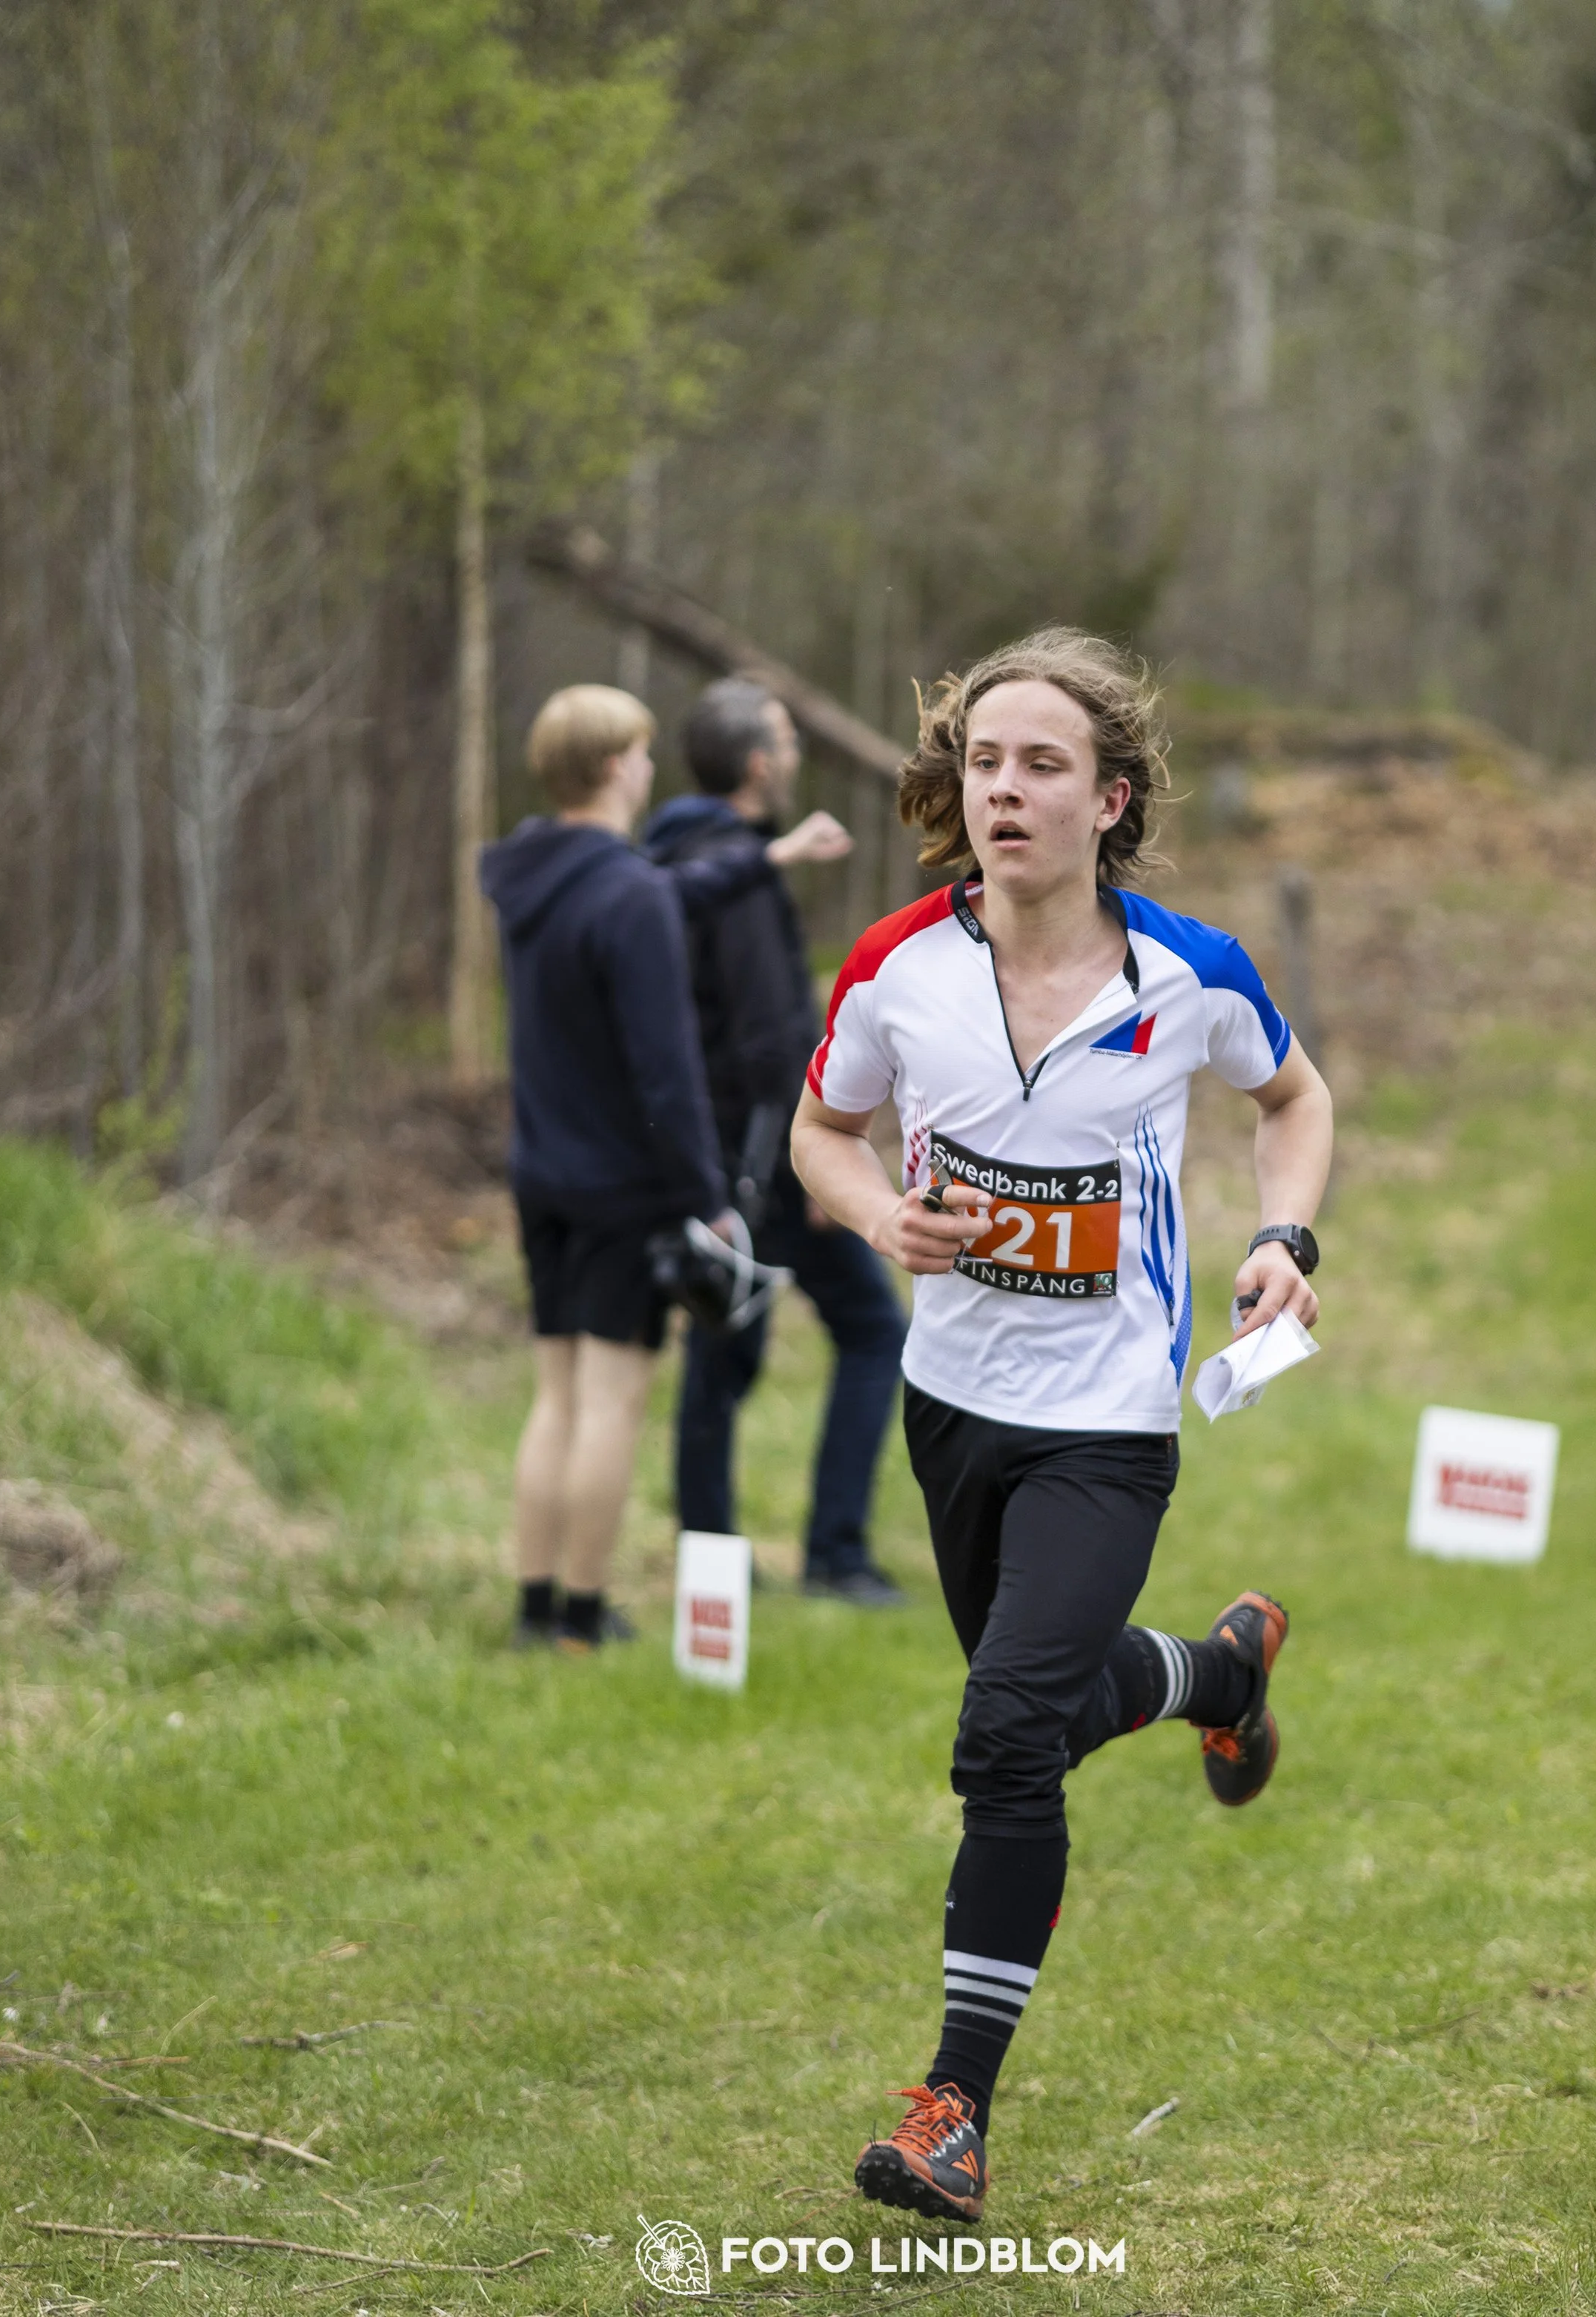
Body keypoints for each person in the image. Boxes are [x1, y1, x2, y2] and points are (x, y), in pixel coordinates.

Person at [791, 629, 1333, 2220]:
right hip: (950, 1407)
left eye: (1040, 765)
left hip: (1104, 1422)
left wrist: (1280, 1240)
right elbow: (817, 1131)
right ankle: (1219, 1673)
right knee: (1043, 1703)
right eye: (982, 762)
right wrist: (878, 1210)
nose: (1004, 789)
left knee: (999, 1733)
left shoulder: (1187, 976)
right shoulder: (897, 965)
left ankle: (953, 2105)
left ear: (1108, 799)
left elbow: (1290, 1102)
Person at [481, 684, 849, 1653]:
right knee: (609, 1401)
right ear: (613, 768)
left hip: (541, 1175)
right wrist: (708, 1202)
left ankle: (533, 1608)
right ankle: (584, 1611)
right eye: (641, 755)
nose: (651, 769)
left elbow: (661, 894)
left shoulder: (537, 881)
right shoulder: (627, 892)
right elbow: (669, 1072)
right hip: (621, 1188)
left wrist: (771, 854)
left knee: (554, 1393)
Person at [641, 680, 911, 1604]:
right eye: (788, 741)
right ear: (758, 764)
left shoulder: (678, 853)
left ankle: (707, 1558)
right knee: (873, 1332)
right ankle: (833, 1555)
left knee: (724, 1349)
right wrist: (816, 1168)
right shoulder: (741, 873)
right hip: (763, 1159)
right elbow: (768, 1035)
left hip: (714, 1150)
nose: (794, 755)